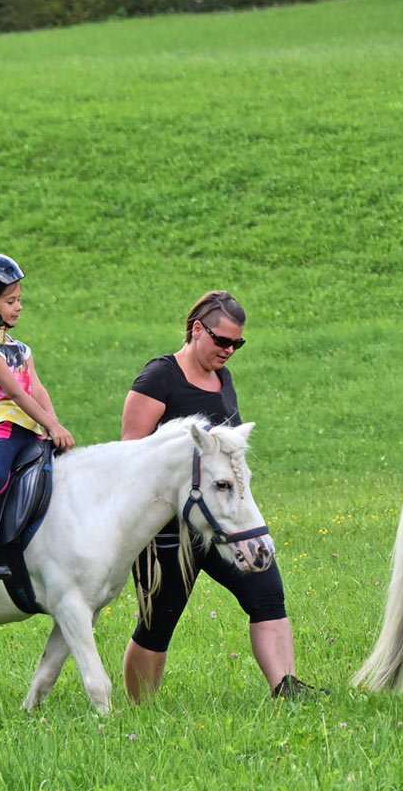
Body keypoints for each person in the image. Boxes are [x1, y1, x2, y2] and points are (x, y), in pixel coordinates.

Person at [119, 290, 316, 700]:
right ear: (196, 330)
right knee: (159, 622)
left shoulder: (222, 379)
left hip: (223, 522)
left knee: (267, 595)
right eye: (222, 341)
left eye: (237, 344)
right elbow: (130, 456)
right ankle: (140, 712)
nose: (229, 350)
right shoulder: (159, 377)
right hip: (168, 527)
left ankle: (287, 689)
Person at [0, 253, 75, 584]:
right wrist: (51, 424)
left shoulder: (22, 348)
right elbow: (16, 394)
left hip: (28, 428)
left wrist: (54, 424)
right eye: (10, 301)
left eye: (19, 300)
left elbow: (36, 389)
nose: (18, 306)